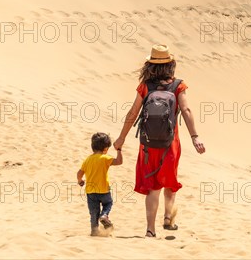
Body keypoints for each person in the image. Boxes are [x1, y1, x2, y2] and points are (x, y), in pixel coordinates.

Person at [113, 44, 205, 238]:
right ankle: (168, 219)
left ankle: (150, 229)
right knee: (169, 182)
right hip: (170, 144)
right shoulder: (178, 85)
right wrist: (195, 137)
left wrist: (121, 138)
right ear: (171, 64)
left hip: (147, 145)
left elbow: (133, 113)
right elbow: (186, 111)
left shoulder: (145, 86)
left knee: (153, 186)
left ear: (150, 65)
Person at [77, 132, 123, 236]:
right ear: (106, 149)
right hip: (104, 190)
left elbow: (79, 173)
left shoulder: (87, 160)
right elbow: (119, 161)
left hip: (91, 192)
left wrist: (80, 181)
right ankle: (104, 215)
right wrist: (119, 150)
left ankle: (94, 231)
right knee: (108, 203)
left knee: (93, 213)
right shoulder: (105, 158)